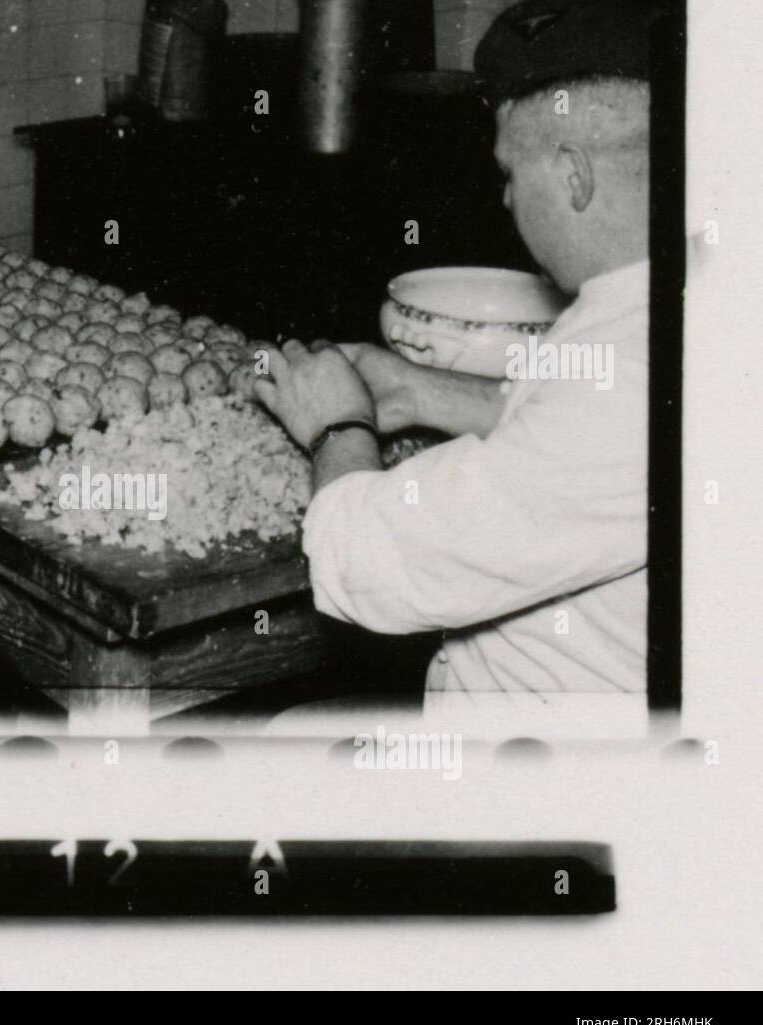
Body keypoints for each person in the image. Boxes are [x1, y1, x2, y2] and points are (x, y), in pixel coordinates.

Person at [257, 0, 657, 706]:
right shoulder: (660, 306)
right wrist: (417, 391)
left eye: (508, 173)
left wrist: (335, 426)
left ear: (573, 175)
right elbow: (569, 445)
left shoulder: (622, 377)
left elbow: (372, 565)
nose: (504, 200)